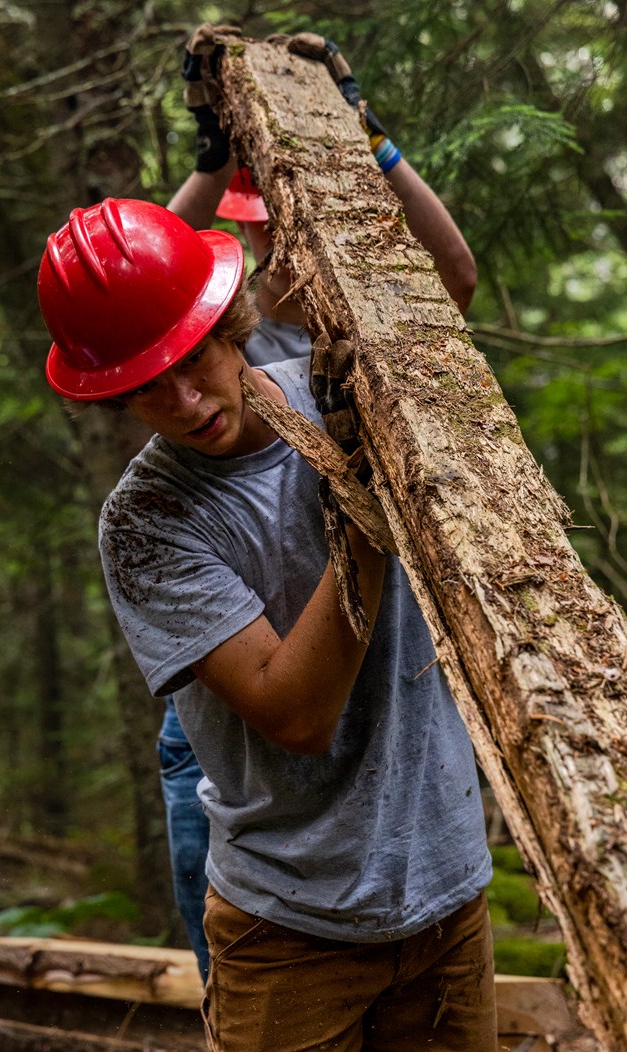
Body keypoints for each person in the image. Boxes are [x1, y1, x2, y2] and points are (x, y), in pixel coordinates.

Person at [37, 189, 496, 1051]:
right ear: (111, 396)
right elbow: (293, 713)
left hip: (447, 896)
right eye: (144, 387)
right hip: (287, 931)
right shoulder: (147, 522)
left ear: (229, 321)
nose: (183, 401)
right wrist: (364, 511)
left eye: (192, 359)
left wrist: (379, 150)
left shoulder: (344, 397)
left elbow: (448, 288)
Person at [157, 27, 479, 983]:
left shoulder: (351, 335)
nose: (269, 244)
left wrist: (371, 137)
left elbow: (451, 278)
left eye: (273, 225)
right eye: (250, 229)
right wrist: (214, 159)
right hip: (236, 684)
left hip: (370, 666)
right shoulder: (210, 347)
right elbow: (148, 292)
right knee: (222, 907)